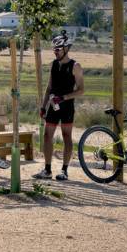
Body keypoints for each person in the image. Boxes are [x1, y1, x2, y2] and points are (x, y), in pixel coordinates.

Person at [33, 31, 85, 181]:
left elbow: (81, 90)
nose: (55, 52)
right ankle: (47, 169)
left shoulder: (75, 66)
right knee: (47, 136)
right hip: (53, 105)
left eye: (58, 50)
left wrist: (63, 98)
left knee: (66, 136)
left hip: (67, 106)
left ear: (66, 49)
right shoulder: (54, 64)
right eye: (54, 50)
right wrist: (43, 106)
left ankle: (64, 170)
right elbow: (49, 87)